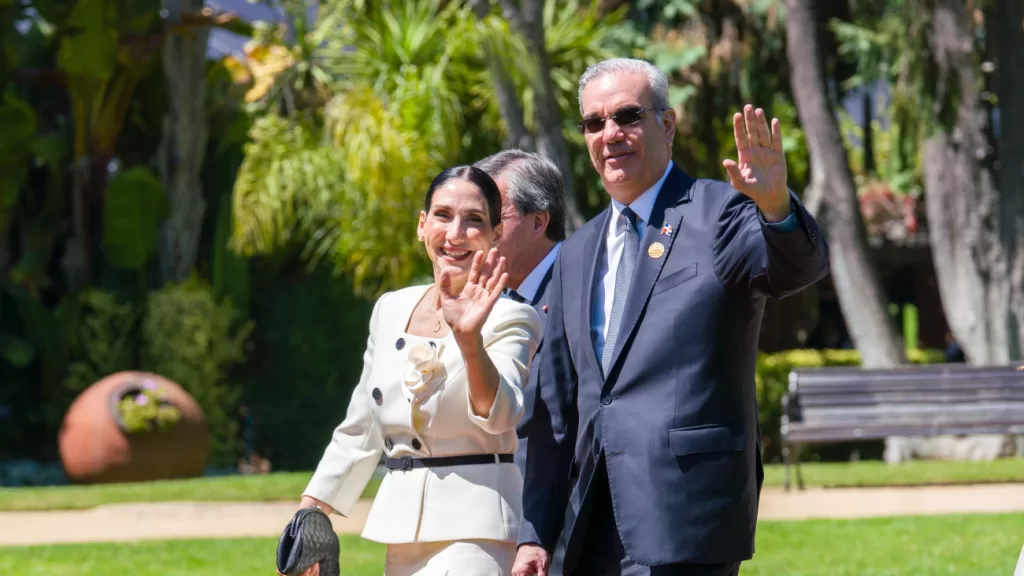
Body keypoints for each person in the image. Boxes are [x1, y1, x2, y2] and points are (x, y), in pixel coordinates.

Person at [513, 57, 830, 576]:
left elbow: (797, 269)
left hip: (687, 516)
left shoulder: (720, 212)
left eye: (627, 116)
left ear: (666, 124)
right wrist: (535, 534)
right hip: (588, 525)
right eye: (594, 122)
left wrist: (777, 209)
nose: (610, 134)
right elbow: (556, 411)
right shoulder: (575, 253)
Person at [300, 165, 542, 575]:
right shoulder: (390, 308)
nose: (455, 234)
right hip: (401, 535)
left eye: (474, 220)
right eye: (443, 215)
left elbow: (501, 414)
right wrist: (311, 511)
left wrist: (469, 340)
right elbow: (362, 424)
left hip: (478, 533)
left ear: (496, 234)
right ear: (422, 225)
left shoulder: (513, 316)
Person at [475, 150, 570, 576]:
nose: (482, 231)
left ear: (538, 221)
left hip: (566, 532)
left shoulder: (584, 286)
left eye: (495, 216)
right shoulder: (484, 300)